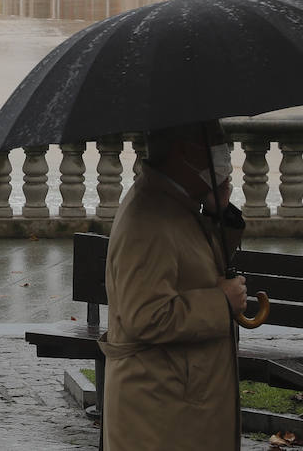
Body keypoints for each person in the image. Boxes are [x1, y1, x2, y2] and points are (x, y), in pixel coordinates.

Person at [100, 121, 246, 451]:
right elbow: (146, 316)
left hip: (179, 403)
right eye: (217, 140)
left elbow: (197, 269)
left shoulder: (176, 206)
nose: (225, 151)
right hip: (161, 413)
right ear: (185, 149)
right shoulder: (149, 218)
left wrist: (219, 212)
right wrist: (222, 303)